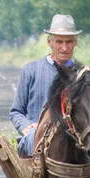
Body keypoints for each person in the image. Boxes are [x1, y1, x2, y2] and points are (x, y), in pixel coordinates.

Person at [10, 14, 81, 157]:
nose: (64, 47)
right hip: (36, 136)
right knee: (32, 140)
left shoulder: (82, 74)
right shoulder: (31, 70)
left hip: (73, 137)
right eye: (59, 42)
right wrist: (26, 127)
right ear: (50, 42)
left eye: (69, 42)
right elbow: (16, 112)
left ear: (75, 43)